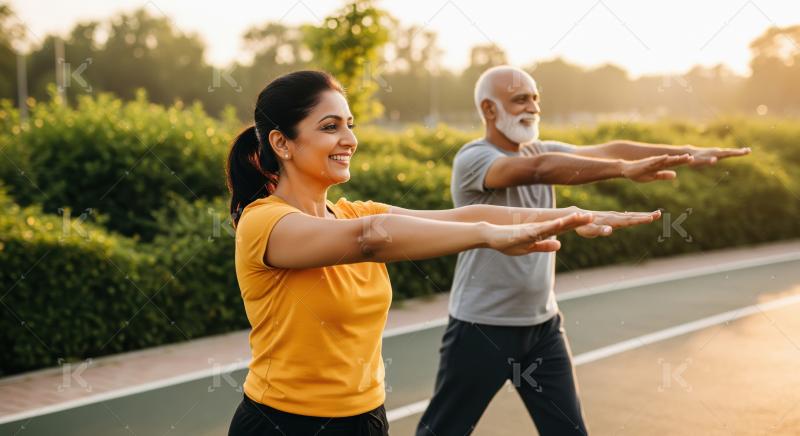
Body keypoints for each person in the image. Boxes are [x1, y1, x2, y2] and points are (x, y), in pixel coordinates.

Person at [225, 70, 663, 436]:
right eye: (329, 127)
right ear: (282, 144)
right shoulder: (265, 223)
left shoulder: (354, 212)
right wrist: (490, 236)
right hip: (282, 423)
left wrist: (569, 214)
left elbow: (461, 215)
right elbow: (371, 239)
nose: (349, 139)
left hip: (365, 419)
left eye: (350, 124)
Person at [415, 65, 752, 436]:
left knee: (569, 431)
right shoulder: (474, 159)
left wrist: (688, 152)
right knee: (443, 431)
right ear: (490, 110)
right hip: (482, 328)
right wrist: (624, 169)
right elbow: (541, 169)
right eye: (520, 99)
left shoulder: (540, 148)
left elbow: (609, 149)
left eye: (535, 98)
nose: (533, 106)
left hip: (543, 327)